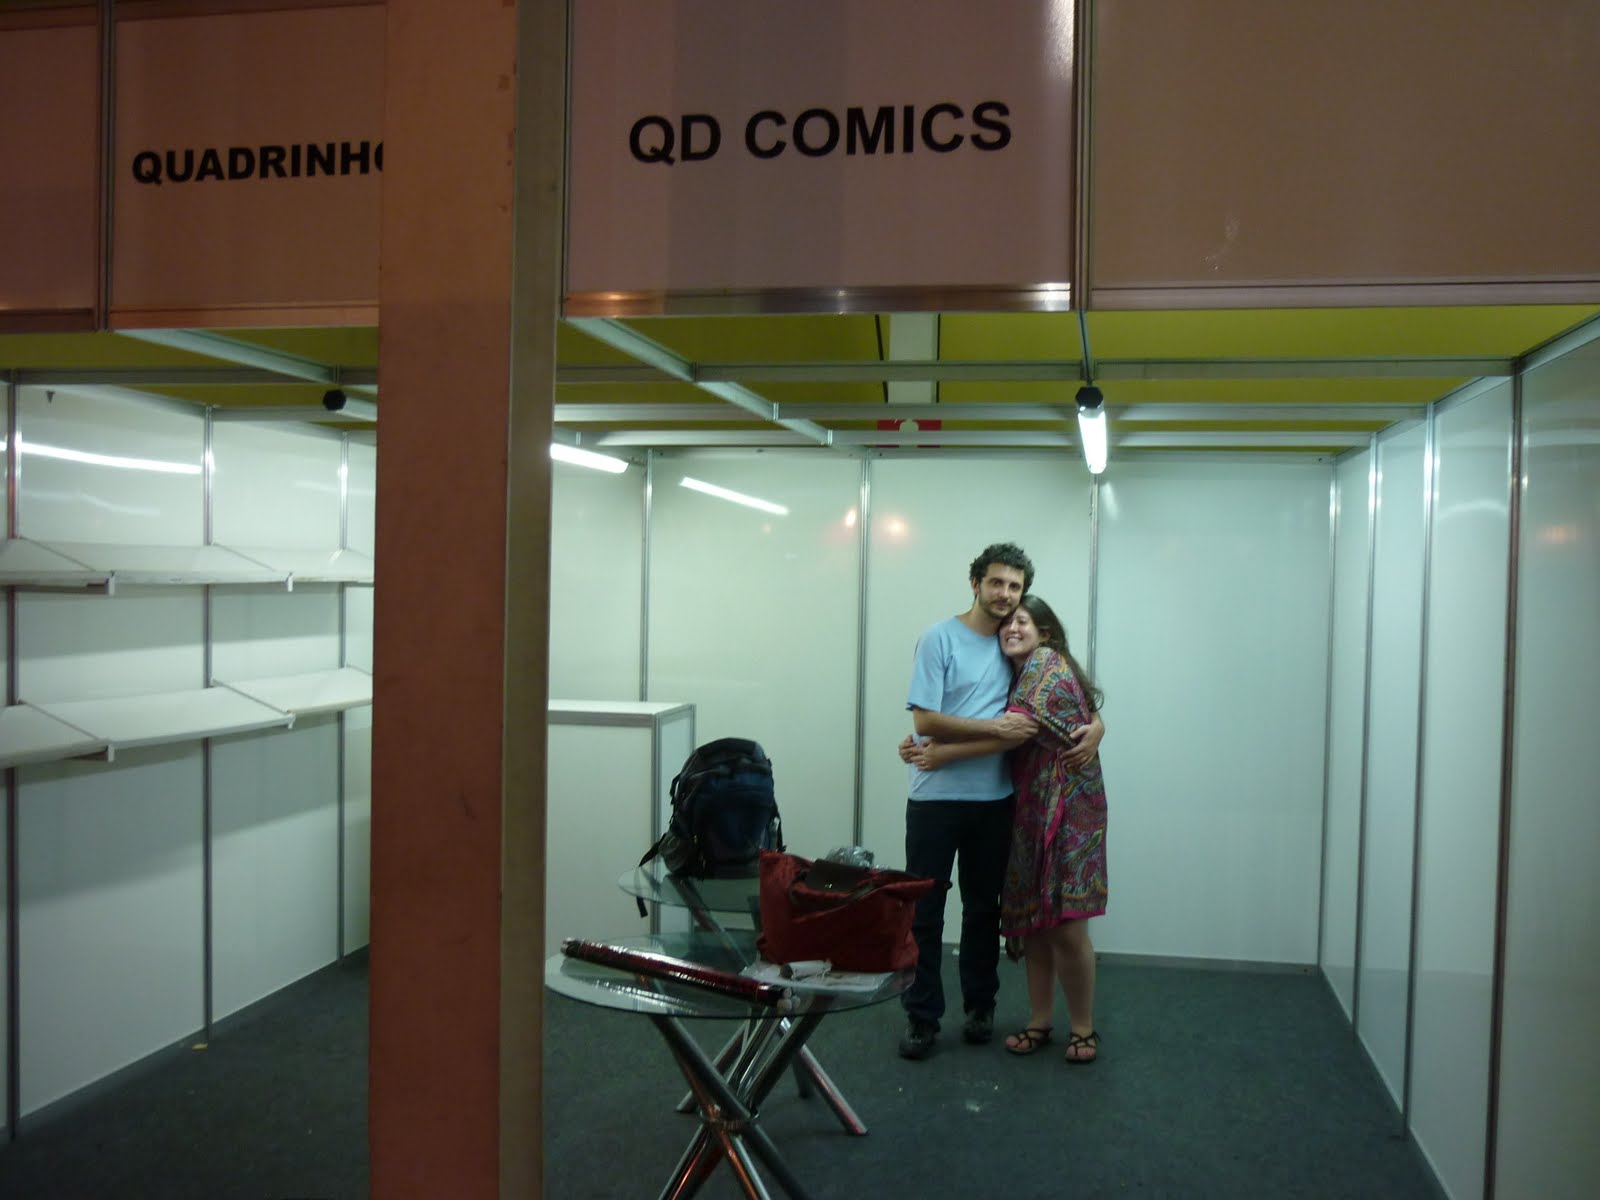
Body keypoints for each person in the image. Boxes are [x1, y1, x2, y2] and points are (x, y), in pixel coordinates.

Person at [909, 594, 1108, 1064]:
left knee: (1065, 925)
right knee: (1032, 923)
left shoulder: (1043, 666)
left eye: (1023, 621)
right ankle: (1039, 1020)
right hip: (1028, 807)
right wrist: (921, 741)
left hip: (1066, 809)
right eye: (1008, 622)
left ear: (1045, 634)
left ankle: (1083, 1028)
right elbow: (970, 720)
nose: (1012, 628)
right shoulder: (1011, 669)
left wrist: (939, 752)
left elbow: (1013, 731)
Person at [895, 542, 1041, 1061]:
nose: (1005, 594)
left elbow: (1056, 699)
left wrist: (1097, 725)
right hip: (934, 800)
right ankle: (922, 1017)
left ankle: (981, 1007)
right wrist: (992, 728)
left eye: (1015, 586)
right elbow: (925, 720)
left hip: (994, 799)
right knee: (925, 913)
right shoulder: (939, 638)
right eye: (996, 582)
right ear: (975, 582)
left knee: (983, 910)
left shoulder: (1016, 645)